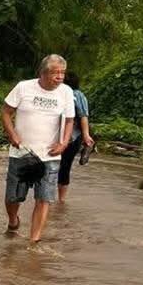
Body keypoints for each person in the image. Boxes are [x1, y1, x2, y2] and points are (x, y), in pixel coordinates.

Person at [0, 55, 75, 243]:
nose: (60, 77)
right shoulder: (23, 87)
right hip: (21, 153)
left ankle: (34, 241)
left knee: (44, 198)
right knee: (13, 197)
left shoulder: (65, 92)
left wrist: (64, 143)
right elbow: (6, 112)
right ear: (42, 73)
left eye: (62, 73)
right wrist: (12, 134)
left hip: (50, 155)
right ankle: (13, 220)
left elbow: (69, 120)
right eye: (55, 73)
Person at [57, 71, 94, 202]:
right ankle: (53, 198)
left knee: (64, 166)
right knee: (56, 166)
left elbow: (83, 116)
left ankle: (61, 199)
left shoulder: (77, 95)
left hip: (73, 137)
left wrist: (86, 135)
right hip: (57, 135)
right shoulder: (56, 94)